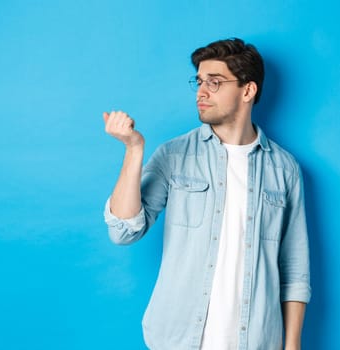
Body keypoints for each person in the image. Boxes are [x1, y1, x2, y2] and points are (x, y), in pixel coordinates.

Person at [103, 38, 311, 350]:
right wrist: (134, 150)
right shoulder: (175, 155)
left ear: (248, 90)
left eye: (215, 82)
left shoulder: (284, 169)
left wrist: (292, 346)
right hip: (179, 339)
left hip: (255, 341)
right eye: (199, 81)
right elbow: (123, 230)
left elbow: (294, 270)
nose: (202, 92)